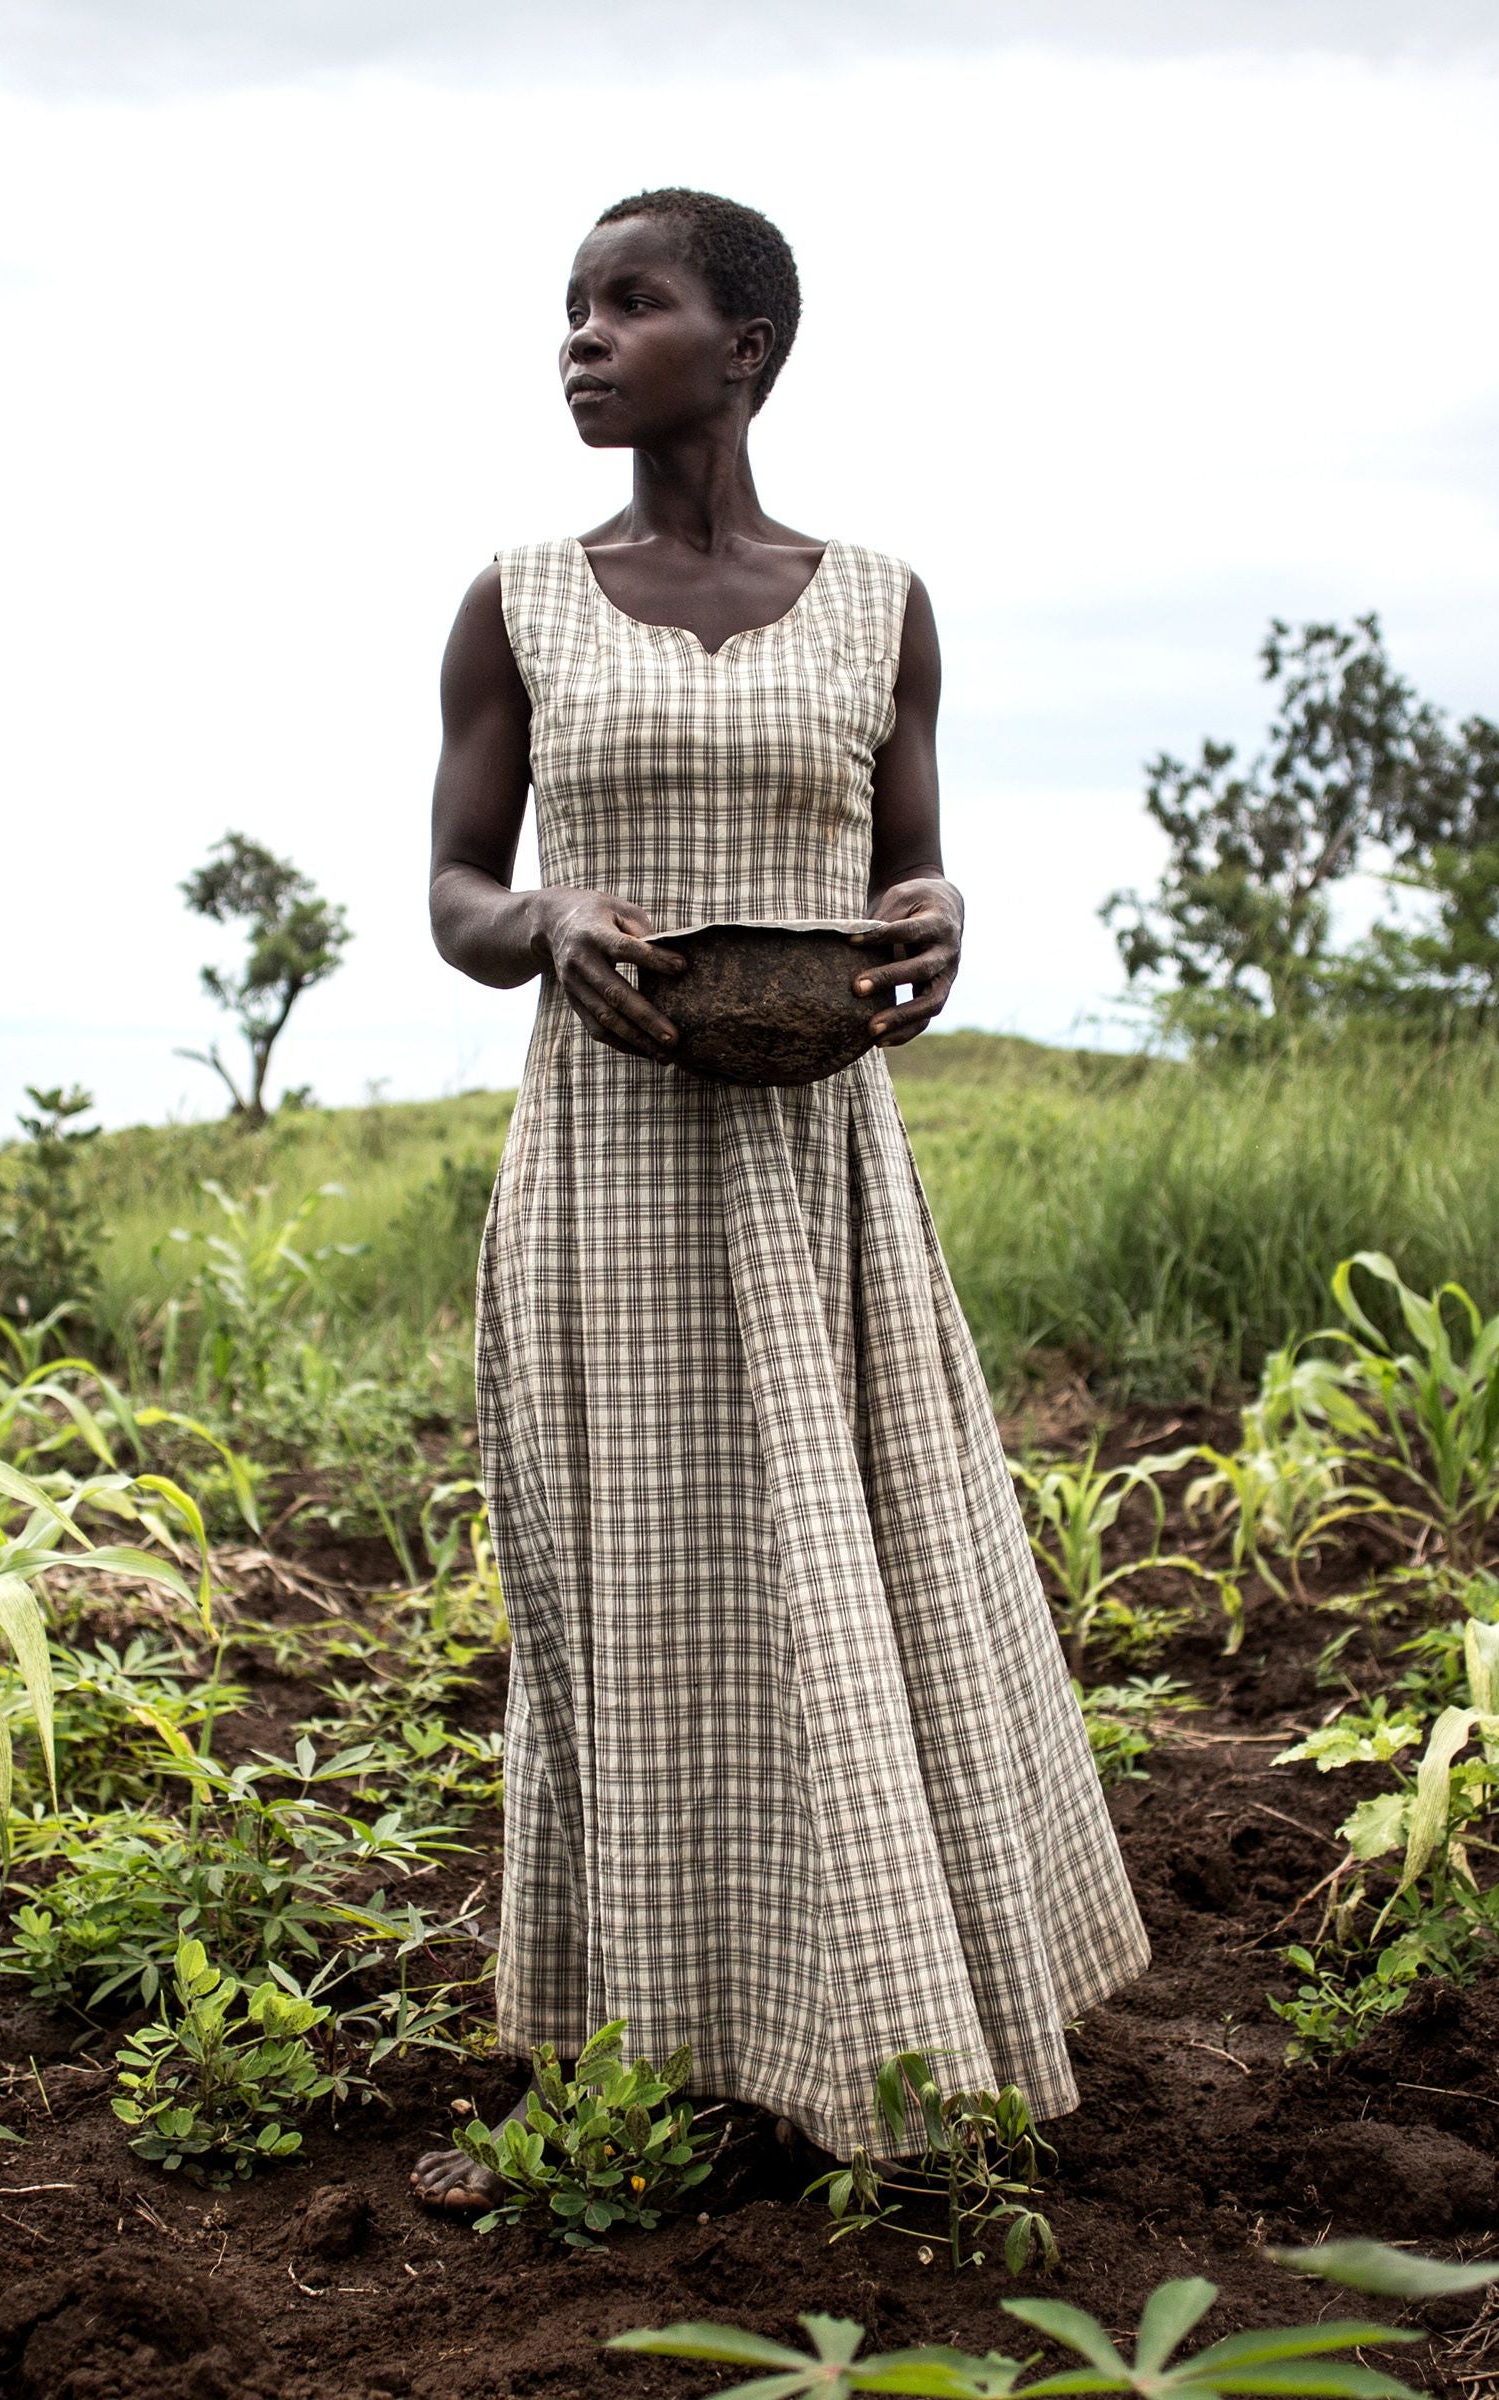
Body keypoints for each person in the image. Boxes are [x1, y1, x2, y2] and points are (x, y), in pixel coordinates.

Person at [410, 188, 1148, 2208]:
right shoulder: (517, 602)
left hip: (819, 1156)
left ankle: (892, 2023)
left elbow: (912, 870)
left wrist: (937, 919)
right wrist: (547, 911)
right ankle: (666, 2048)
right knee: (647, 1595)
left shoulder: (882, 603)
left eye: (626, 304)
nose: (580, 337)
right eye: (568, 307)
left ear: (743, 348)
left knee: (858, 1573)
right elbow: (458, 894)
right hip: (613, 1161)